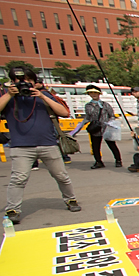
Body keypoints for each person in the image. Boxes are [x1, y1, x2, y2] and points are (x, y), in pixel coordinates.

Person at [2, 66, 81, 223]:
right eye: (20, 80)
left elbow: (64, 112)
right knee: (18, 179)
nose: (24, 84)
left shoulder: (43, 95)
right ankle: (13, 209)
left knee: (61, 176)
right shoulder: (8, 98)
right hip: (20, 146)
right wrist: (9, 95)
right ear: (13, 82)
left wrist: (43, 97)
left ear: (34, 82)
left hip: (48, 144)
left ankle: (70, 199)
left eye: (28, 80)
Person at [83, 85, 122, 169]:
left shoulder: (105, 105)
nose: (93, 95)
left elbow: (111, 115)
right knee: (95, 146)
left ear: (99, 94)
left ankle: (118, 160)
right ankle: (98, 161)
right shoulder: (88, 106)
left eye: (95, 93)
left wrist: (110, 123)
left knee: (112, 145)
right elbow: (89, 116)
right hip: (95, 128)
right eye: (91, 93)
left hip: (106, 128)